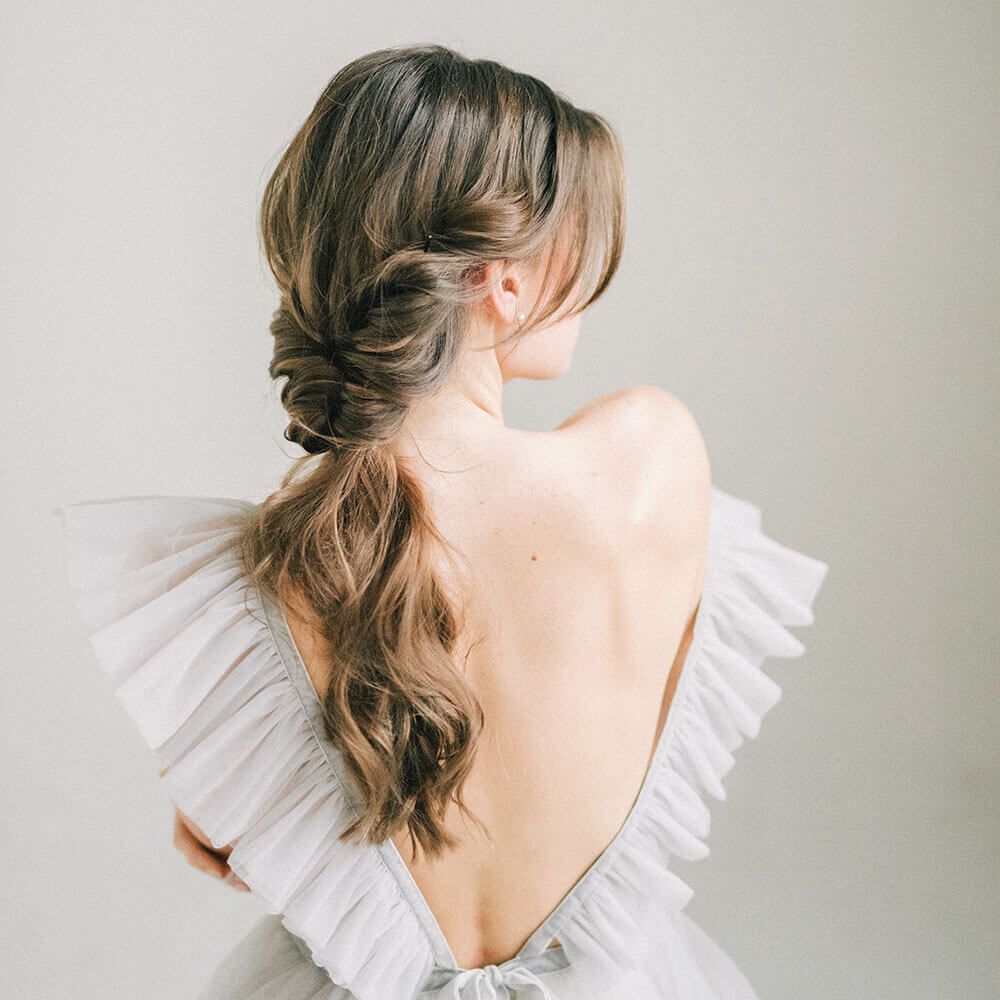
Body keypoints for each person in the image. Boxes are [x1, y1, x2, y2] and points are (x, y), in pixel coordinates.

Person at [53, 43, 830, 1000]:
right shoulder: (646, 459)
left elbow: (240, 830)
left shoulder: (273, 558)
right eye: (579, 234)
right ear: (504, 278)